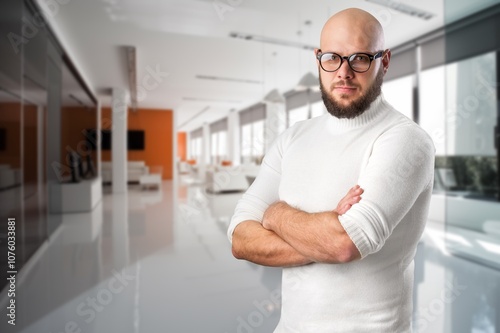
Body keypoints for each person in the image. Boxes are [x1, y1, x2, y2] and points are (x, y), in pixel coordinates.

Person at [227, 7, 435, 333]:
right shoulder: (292, 138)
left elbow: (344, 244)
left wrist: (276, 215)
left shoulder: (406, 140)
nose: (344, 72)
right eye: (332, 58)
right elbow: (240, 239)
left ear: (385, 60)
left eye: (360, 58)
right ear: (318, 58)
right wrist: (323, 232)